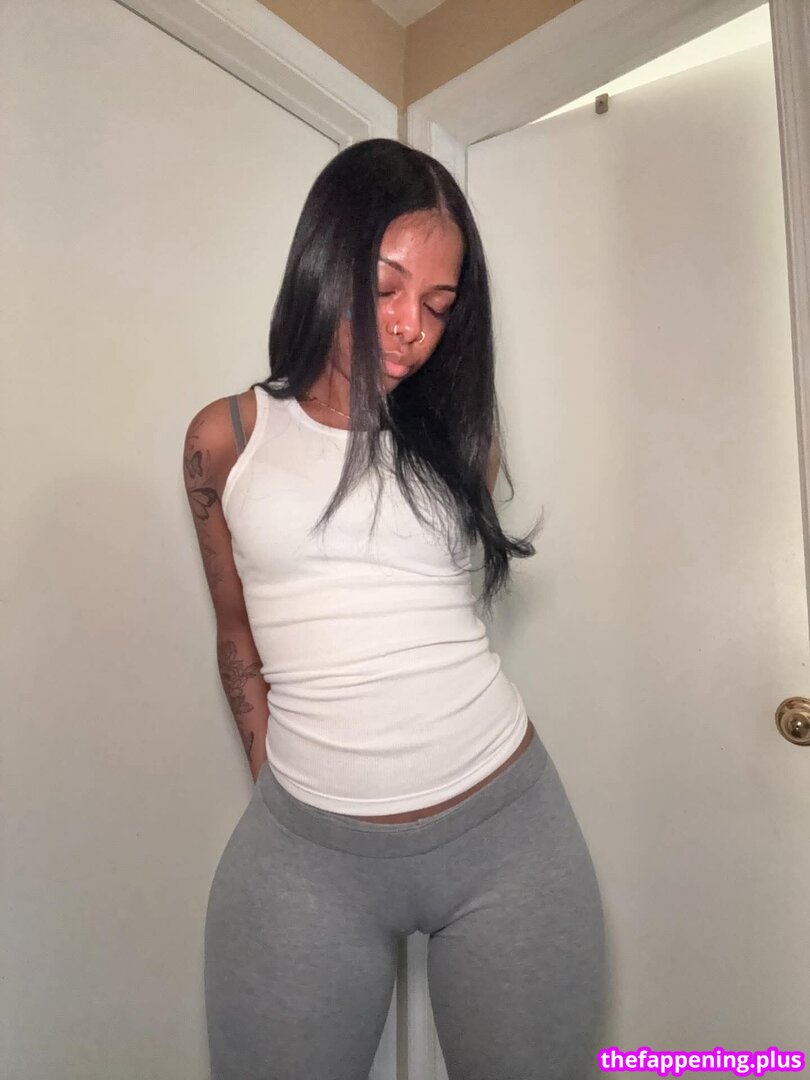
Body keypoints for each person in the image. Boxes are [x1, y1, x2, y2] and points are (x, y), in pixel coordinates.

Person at [182, 138, 605, 1080]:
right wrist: (285, 786)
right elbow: (236, 635)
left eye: (440, 306)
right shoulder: (228, 437)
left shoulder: (461, 441)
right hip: (308, 855)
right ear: (323, 260)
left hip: (507, 831)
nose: (412, 327)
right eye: (384, 287)